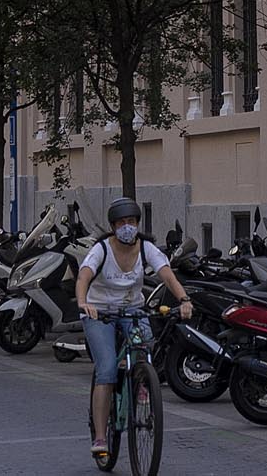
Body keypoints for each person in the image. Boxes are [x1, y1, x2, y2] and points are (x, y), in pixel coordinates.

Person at [73, 198, 188, 465]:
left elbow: (167, 275)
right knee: (107, 370)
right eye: (123, 223)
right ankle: (101, 437)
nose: (128, 227)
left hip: (132, 309)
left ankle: (141, 384)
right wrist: (83, 303)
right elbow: (84, 277)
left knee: (145, 344)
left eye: (132, 222)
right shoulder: (101, 249)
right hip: (99, 311)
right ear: (113, 227)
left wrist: (184, 300)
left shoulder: (146, 249)